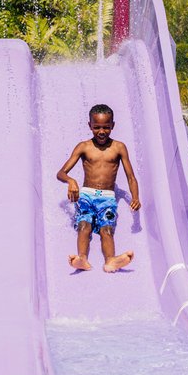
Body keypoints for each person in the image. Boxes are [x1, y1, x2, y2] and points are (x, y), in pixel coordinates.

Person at [56, 103, 140, 273]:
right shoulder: (83, 147)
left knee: (107, 229)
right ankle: (82, 259)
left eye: (106, 127)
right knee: (84, 225)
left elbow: (131, 177)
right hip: (86, 196)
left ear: (112, 125)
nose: (101, 131)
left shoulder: (119, 147)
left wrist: (135, 198)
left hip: (107, 198)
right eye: (97, 127)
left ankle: (110, 261)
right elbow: (61, 173)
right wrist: (71, 181)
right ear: (90, 125)